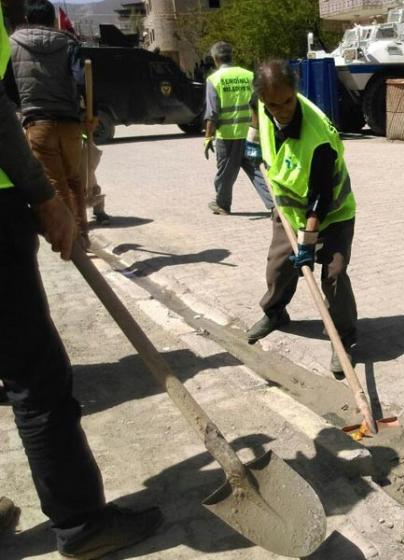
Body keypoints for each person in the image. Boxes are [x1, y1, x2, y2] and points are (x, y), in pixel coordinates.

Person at [0, 2, 163, 556]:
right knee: (36, 379)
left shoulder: (17, 42)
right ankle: (81, 525)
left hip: (37, 133)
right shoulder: (60, 45)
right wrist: (45, 199)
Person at [246, 59, 358, 377]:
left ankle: (343, 340)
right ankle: (275, 313)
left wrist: (308, 243)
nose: (281, 111)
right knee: (280, 266)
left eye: (287, 102)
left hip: (332, 212)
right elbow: (254, 106)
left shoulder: (318, 137)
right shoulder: (262, 100)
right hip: (288, 210)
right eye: (273, 105)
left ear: (296, 92)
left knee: (333, 274)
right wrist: (252, 140)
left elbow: (320, 198)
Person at [9, 0, 93, 247]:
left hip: (37, 123)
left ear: (27, 18)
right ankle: (83, 236)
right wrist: (87, 111)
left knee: (54, 183)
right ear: (53, 19)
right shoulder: (68, 42)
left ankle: (71, 240)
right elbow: (81, 80)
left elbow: (9, 88)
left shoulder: (12, 44)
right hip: (69, 122)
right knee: (75, 180)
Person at [203, 41, 273, 215]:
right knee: (255, 170)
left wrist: (208, 137)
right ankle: (273, 205)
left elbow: (212, 112)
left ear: (215, 59)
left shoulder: (214, 79)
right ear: (231, 56)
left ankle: (222, 204)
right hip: (250, 132)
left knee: (225, 173)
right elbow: (258, 104)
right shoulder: (248, 75)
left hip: (227, 136)